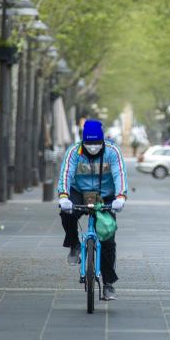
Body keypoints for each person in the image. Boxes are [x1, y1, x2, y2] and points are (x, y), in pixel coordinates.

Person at [57, 118, 128, 301]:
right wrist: (63, 196)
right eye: (89, 143)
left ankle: (108, 284)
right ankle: (74, 245)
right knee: (66, 213)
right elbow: (66, 173)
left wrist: (121, 197)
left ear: (103, 140)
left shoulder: (112, 152)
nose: (93, 147)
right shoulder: (74, 151)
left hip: (105, 195)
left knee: (108, 240)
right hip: (79, 192)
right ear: (83, 141)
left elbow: (120, 174)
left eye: (97, 143)